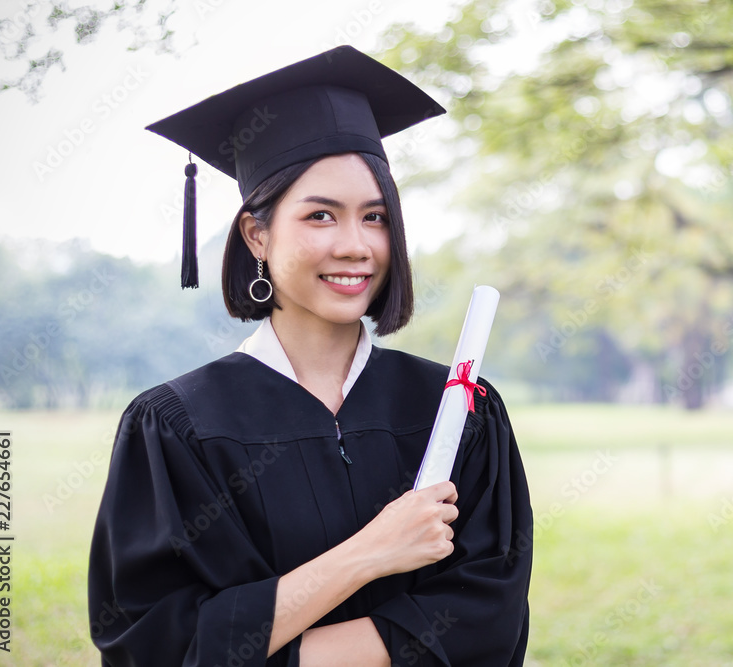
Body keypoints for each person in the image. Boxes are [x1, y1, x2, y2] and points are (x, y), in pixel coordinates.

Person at [87, 46, 533, 667]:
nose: (355, 246)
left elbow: (488, 621)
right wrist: (370, 552)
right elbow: (155, 645)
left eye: (375, 217)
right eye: (321, 215)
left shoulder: (459, 412)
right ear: (257, 235)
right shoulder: (176, 427)